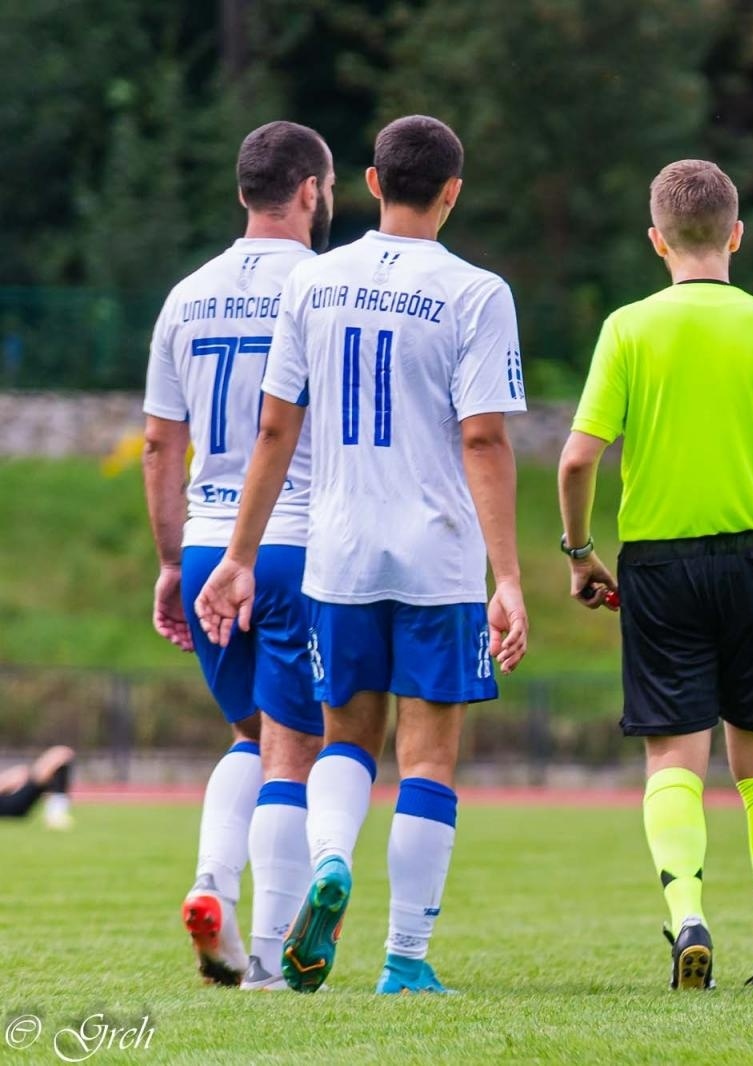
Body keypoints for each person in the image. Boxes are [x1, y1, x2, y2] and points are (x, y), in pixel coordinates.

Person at [195, 114, 529, 996]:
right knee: (427, 757)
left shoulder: (317, 280)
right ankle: (406, 959)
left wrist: (238, 555)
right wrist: (511, 578)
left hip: (334, 556)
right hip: (437, 557)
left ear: (373, 184)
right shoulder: (477, 292)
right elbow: (486, 441)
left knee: (344, 737)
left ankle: (331, 860)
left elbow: (274, 427)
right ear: (452, 192)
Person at [558, 159, 753, 990]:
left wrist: (581, 553)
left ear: (657, 240)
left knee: (674, 761)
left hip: (659, 563)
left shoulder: (628, 328)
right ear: (736, 235)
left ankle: (687, 910)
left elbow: (578, 459)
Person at [142, 120, 333, 990]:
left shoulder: (185, 295)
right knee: (296, 749)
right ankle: (264, 958)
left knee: (246, 735)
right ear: (308, 191)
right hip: (294, 540)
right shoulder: (325, 286)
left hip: (212, 536)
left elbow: (158, 444)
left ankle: (211, 883)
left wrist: (176, 562)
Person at [0, 745, 75, 829]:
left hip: (8, 800)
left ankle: (56, 811)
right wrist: (6, 780)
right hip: (8, 806)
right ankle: (56, 813)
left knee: (62, 754)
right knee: (60, 754)